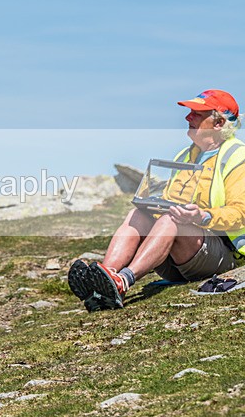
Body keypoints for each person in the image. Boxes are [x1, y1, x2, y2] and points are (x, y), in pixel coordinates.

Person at [68, 89, 245, 311]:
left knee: (171, 221)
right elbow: (171, 203)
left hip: (222, 254)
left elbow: (240, 213)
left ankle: (123, 281)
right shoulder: (183, 156)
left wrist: (203, 216)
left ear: (218, 123)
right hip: (177, 254)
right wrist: (153, 205)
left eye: (197, 113)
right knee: (138, 214)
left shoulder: (238, 156)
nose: (188, 117)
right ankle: (105, 279)